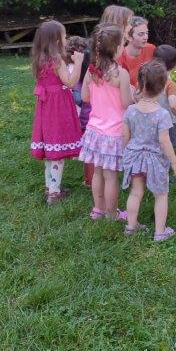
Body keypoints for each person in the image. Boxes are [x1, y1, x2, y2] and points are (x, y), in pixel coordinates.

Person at [121, 61, 176, 242]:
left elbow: (125, 136)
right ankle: (160, 232)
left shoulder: (130, 110)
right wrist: (174, 164)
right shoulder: (162, 114)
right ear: (163, 87)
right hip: (156, 160)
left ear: (139, 84)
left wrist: (125, 153)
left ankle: (131, 227)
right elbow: (165, 141)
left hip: (134, 157)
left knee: (136, 192)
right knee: (160, 195)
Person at [79, 23, 132, 221]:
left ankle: (98, 209)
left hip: (94, 131)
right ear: (116, 48)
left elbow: (84, 97)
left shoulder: (92, 70)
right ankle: (112, 213)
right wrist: (133, 94)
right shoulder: (121, 74)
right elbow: (126, 103)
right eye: (123, 44)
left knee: (97, 173)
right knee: (111, 176)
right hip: (113, 133)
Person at [30, 21, 85, 205]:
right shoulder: (57, 61)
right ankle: (54, 193)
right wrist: (78, 63)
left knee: (51, 147)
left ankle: (50, 187)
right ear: (56, 40)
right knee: (57, 148)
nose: (66, 39)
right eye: (64, 36)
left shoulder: (40, 59)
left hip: (46, 108)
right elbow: (70, 82)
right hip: (58, 107)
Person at [66, 35, 93, 186]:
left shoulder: (75, 77)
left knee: (88, 152)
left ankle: (90, 180)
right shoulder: (91, 78)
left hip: (83, 122)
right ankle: (92, 180)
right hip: (94, 123)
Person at [152, 44, 176, 150]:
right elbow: (174, 106)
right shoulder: (170, 84)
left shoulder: (146, 79)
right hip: (167, 122)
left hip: (148, 119)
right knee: (168, 146)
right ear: (175, 64)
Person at [119, 16, 155, 89]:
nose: (146, 37)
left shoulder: (151, 49)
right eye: (141, 34)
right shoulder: (120, 56)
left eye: (147, 33)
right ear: (129, 37)